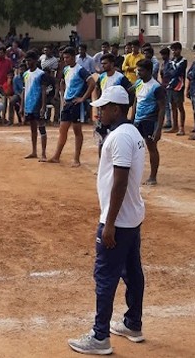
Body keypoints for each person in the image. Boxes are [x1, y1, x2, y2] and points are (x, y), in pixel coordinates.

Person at [67, 85, 146, 355]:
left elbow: (120, 182)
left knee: (105, 276)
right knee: (132, 271)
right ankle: (133, 324)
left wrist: (109, 223)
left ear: (116, 109)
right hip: (132, 217)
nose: (99, 112)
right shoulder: (131, 132)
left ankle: (100, 336)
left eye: (103, 107)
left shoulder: (121, 137)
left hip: (119, 220)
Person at [45, 47, 96, 167]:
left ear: (73, 57)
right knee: (63, 130)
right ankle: (57, 156)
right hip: (68, 102)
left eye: (67, 57)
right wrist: (63, 95)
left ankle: (76, 158)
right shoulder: (66, 69)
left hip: (76, 104)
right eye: (64, 57)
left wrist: (83, 98)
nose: (65, 59)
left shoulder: (80, 70)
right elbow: (62, 82)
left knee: (77, 131)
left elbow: (92, 83)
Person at [131, 59, 165, 185]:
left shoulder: (156, 87)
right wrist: (131, 118)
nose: (138, 72)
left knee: (151, 147)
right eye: (137, 70)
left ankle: (153, 176)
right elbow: (136, 101)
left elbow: (162, 108)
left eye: (140, 70)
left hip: (150, 120)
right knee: (133, 146)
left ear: (149, 71)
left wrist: (158, 129)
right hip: (137, 120)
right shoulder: (138, 83)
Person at [95, 53, 133, 156]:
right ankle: (101, 162)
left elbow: (130, 91)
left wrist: (126, 106)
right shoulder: (102, 77)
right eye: (102, 64)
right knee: (102, 138)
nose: (103, 66)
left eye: (105, 63)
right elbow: (97, 88)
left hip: (115, 113)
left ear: (112, 64)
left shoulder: (120, 78)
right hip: (104, 111)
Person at [22, 51, 48, 161]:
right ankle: (34, 151)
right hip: (29, 104)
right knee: (32, 129)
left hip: (37, 104)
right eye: (27, 60)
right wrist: (22, 106)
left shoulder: (41, 74)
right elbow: (24, 90)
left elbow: (43, 91)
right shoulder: (25, 74)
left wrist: (43, 106)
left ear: (35, 61)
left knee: (41, 127)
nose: (28, 62)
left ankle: (43, 153)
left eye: (30, 60)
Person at [166, 42, 187, 136]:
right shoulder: (171, 60)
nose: (174, 52)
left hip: (179, 86)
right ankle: (175, 126)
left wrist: (172, 72)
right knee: (173, 106)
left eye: (175, 50)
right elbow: (166, 72)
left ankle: (182, 127)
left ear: (180, 50)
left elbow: (176, 73)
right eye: (173, 50)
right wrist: (172, 72)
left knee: (180, 107)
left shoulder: (183, 61)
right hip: (170, 86)